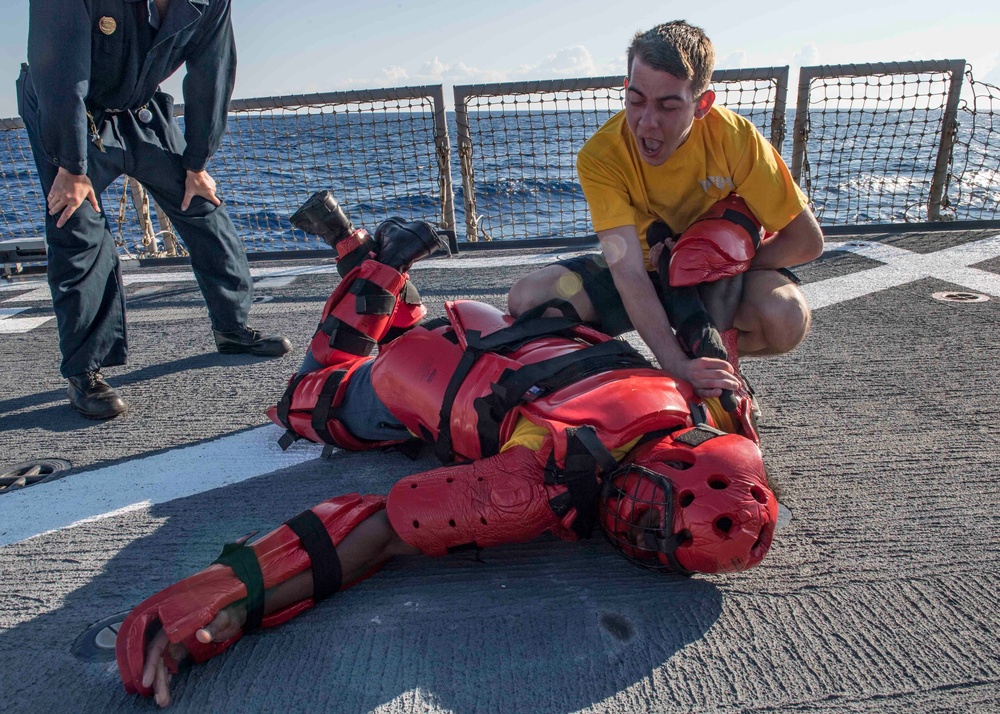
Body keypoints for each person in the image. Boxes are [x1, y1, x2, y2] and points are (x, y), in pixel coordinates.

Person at [116, 195, 780, 707]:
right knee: (310, 401)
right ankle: (378, 261)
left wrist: (746, 218)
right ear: (677, 462)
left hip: (533, 333)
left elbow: (709, 260)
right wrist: (231, 595)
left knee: (382, 369)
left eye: (646, 538)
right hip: (431, 371)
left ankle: (364, 250)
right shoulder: (543, 477)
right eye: (647, 513)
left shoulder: (715, 407)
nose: (627, 525)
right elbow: (374, 527)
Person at [507, 20, 825, 403]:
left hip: (719, 278)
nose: (647, 122)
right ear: (626, 89)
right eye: (636, 100)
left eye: (668, 105)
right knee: (529, 300)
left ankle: (724, 365)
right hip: (644, 272)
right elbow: (628, 274)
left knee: (785, 316)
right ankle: (636, 371)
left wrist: (710, 263)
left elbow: (806, 241)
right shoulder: (600, 156)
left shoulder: (736, 139)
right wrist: (674, 363)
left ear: (702, 104)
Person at [16, 0, 291, 420]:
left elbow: (211, 73)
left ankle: (232, 328)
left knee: (200, 203)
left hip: (139, 108)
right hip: (66, 108)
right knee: (79, 226)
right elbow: (59, 71)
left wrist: (197, 163)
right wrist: (71, 165)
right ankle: (85, 371)